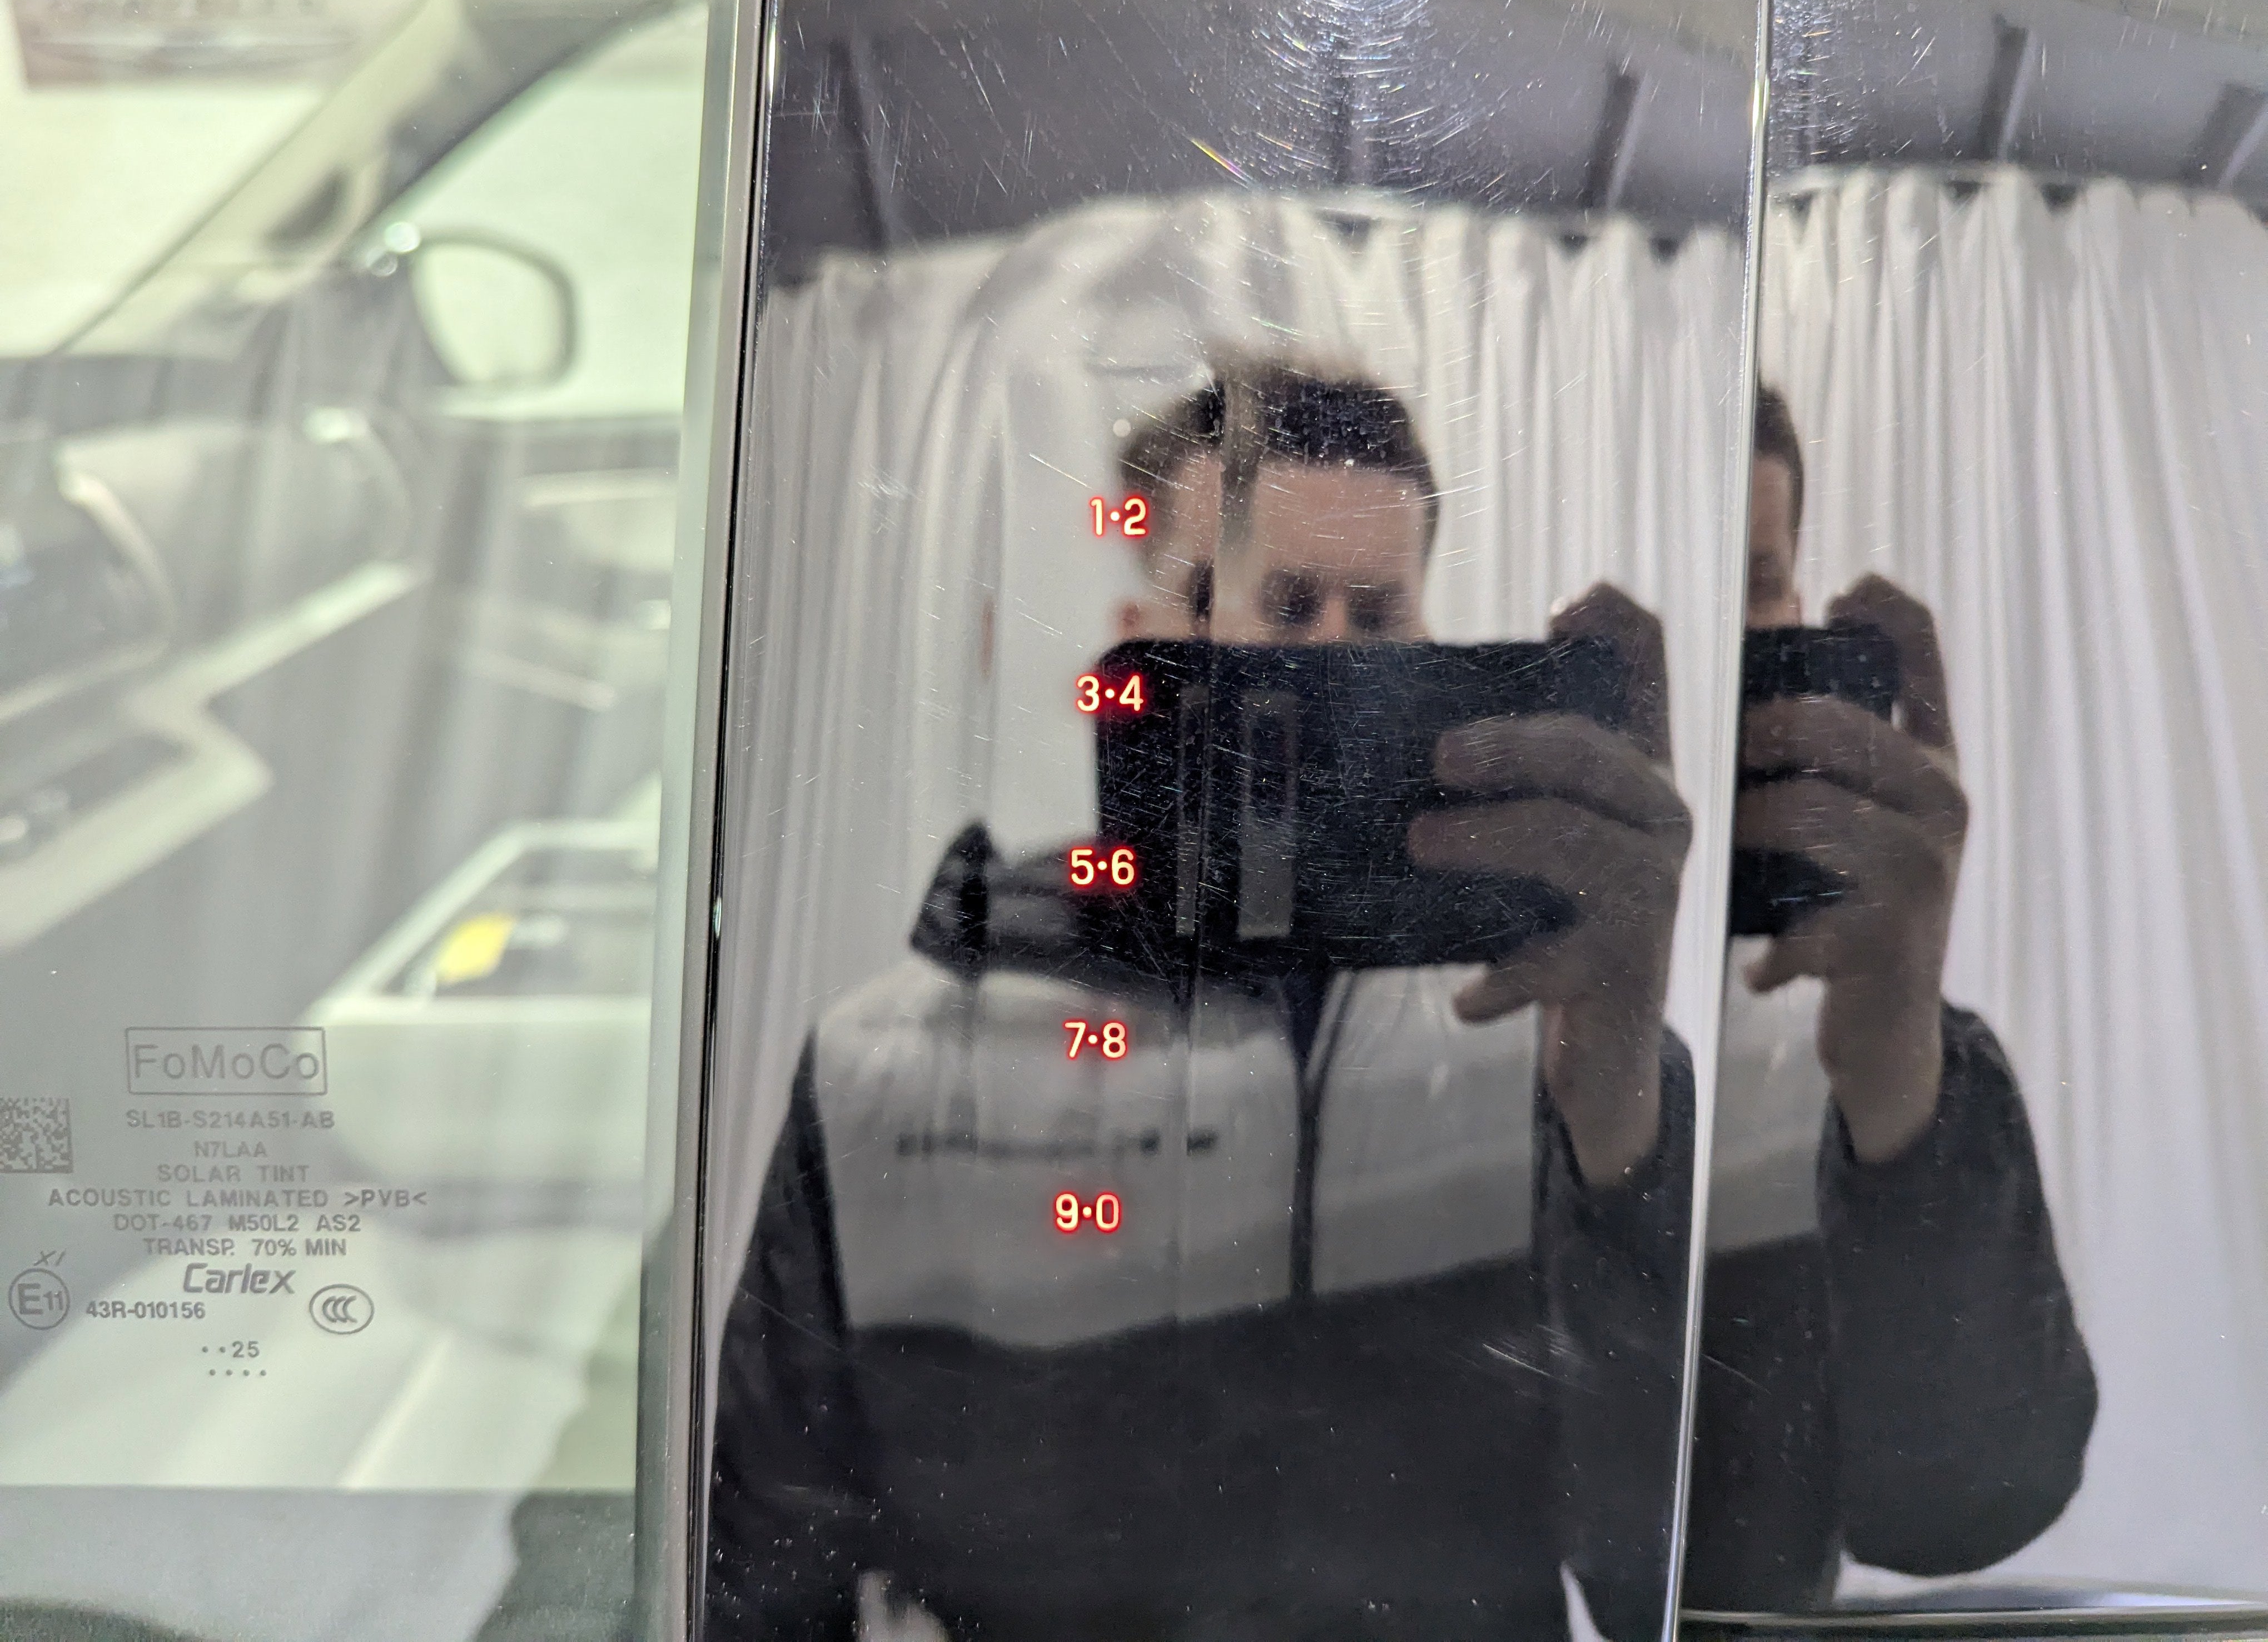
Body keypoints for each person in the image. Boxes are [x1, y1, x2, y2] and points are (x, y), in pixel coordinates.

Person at [708, 364, 1699, 1640]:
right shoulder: (891, 1064)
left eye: (1377, 614)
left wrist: (1620, 1107)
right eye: (1281, 605)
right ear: (1140, 641)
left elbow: (1670, 1570)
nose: (1330, 659)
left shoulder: (1553, 1038)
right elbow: (760, 1582)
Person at [1682, 386, 2097, 1606]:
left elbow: (1962, 1503)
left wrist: (1897, 1063)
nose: (1722, 631)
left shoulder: (1860, 1001)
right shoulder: (1457, 955)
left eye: (1756, 583)